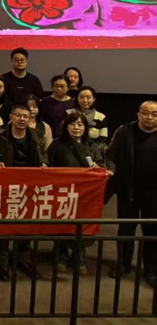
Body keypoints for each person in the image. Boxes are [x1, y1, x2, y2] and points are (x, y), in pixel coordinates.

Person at [0, 104, 47, 281]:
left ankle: (23, 259)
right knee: (4, 226)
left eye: (25, 116)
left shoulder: (36, 136)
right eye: (18, 115)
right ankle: (1, 263)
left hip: (29, 188)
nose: (22, 119)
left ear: (30, 118)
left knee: (26, 225)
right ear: (11, 116)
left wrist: (44, 163)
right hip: (5, 187)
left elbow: (43, 155)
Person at [106, 101, 157, 287]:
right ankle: (123, 264)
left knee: (152, 232)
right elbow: (110, 154)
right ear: (138, 114)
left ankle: (151, 269)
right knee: (126, 229)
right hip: (129, 189)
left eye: (154, 114)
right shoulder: (125, 131)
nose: (149, 117)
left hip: (155, 194)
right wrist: (111, 170)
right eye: (145, 113)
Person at [48, 113, 100, 275]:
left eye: (80, 124)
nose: (76, 128)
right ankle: (60, 257)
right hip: (63, 193)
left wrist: (98, 168)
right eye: (72, 124)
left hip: (85, 195)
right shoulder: (57, 144)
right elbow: (49, 166)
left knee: (82, 226)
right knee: (62, 226)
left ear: (85, 128)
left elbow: (101, 165)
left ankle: (79, 258)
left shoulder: (91, 145)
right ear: (66, 127)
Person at [68, 86, 108, 168]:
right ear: (77, 98)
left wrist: (90, 150)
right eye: (82, 97)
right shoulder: (69, 114)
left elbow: (103, 139)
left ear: (94, 99)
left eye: (88, 97)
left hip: (93, 155)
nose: (85, 100)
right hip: (70, 153)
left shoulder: (101, 117)